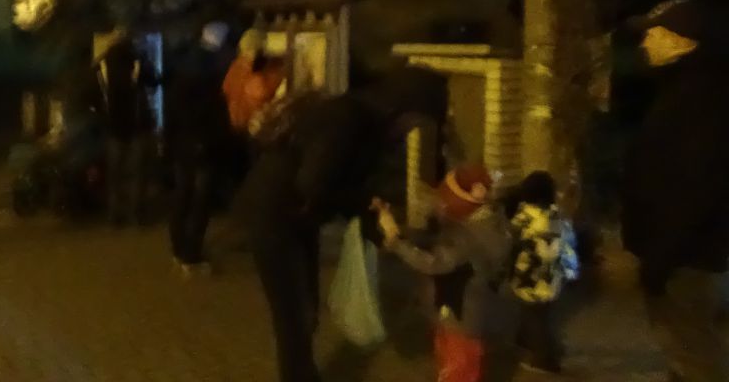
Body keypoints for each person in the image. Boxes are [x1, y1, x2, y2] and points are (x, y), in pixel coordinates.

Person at [234, 90, 406, 382]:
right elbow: (314, 184)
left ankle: (303, 372)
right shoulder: (346, 124)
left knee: (304, 308)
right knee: (293, 313)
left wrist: (370, 217)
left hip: (292, 217)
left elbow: (332, 183)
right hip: (274, 217)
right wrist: (364, 203)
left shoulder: (343, 120)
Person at [622, 0, 729, 382]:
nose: (645, 42)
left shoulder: (699, 103)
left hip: (684, 261)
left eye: (653, 33)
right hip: (679, 256)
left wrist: (660, 260)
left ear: (682, 41)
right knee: (684, 355)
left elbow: (693, 190)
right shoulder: (681, 90)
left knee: (695, 357)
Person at [372, 165, 512, 382]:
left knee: (457, 371)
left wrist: (395, 240)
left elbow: (432, 262)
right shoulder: (492, 220)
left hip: (460, 315)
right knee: (462, 367)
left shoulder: (467, 236)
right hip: (473, 310)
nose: (444, 205)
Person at [166, 22, 233, 275]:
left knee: (183, 196)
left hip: (183, 143)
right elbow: (208, 109)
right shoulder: (207, 69)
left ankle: (179, 248)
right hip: (201, 143)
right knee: (200, 200)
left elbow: (175, 110)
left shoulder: (185, 65)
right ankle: (191, 254)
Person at [506, 171, 579, 375]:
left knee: (534, 318)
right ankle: (541, 346)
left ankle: (545, 359)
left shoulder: (524, 218)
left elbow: (509, 242)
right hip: (552, 277)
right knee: (545, 316)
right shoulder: (558, 216)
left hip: (529, 277)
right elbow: (569, 245)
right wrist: (572, 272)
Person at [92, 29, 158, 226]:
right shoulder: (137, 61)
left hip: (113, 125)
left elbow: (92, 93)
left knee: (115, 174)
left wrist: (100, 113)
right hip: (137, 124)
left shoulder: (101, 64)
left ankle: (115, 215)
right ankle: (136, 214)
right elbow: (155, 81)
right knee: (137, 172)